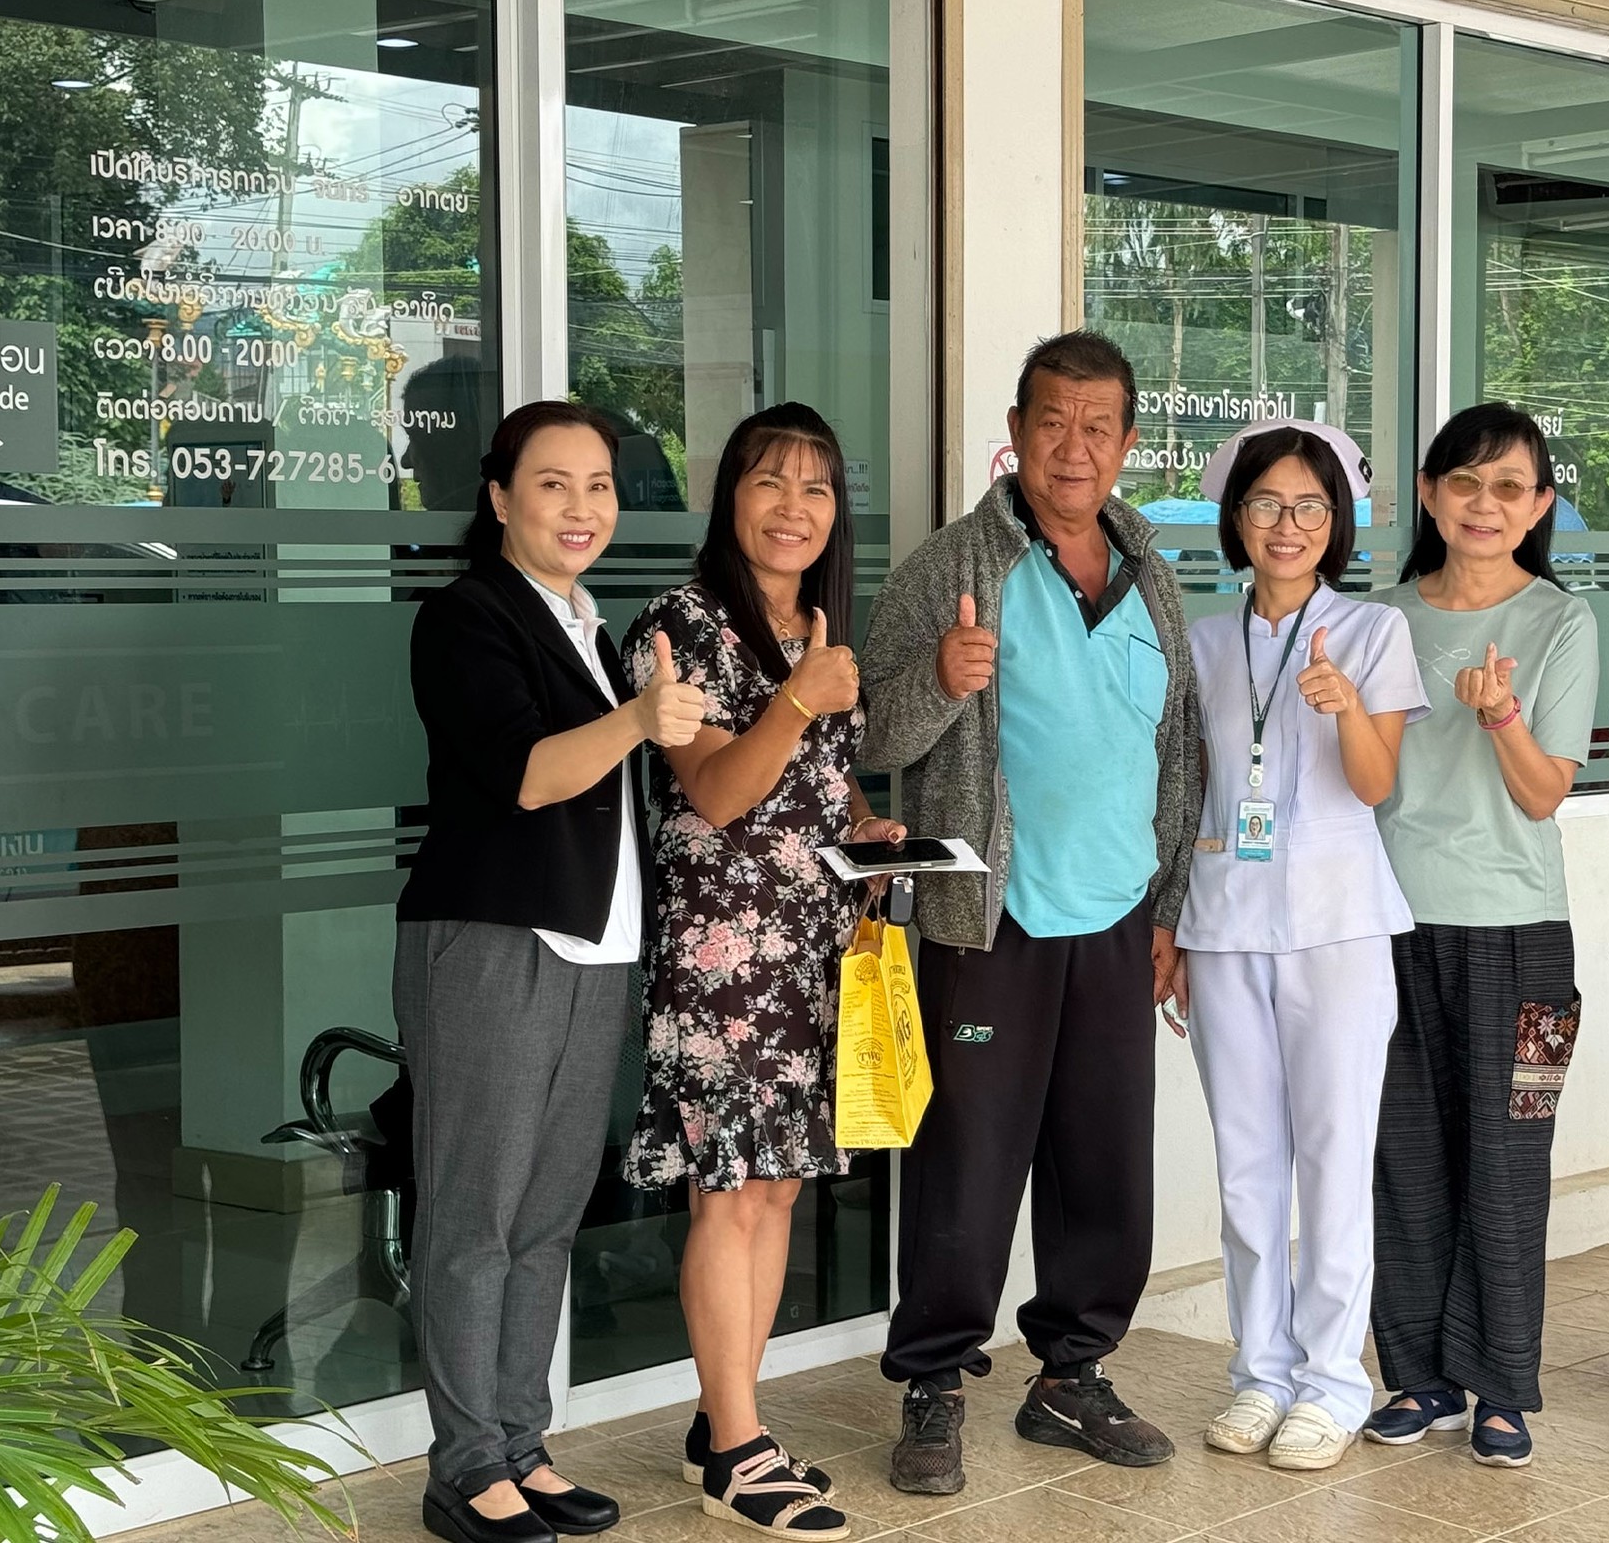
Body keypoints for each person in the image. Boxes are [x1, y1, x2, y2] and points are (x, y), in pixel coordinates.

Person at [858, 330, 1200, 1497]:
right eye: (1053, 420)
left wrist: (1168, 906)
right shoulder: (953, 563)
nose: (1074, 446)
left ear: (1127, 441)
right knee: (967, 1162)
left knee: (1105, 1162)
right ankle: (933, 1379)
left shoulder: (1151, 573)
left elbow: (1179, 751)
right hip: (986, 918)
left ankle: (1071, 1373)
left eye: (1097, 426)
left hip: (1116, 916)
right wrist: (938, 679)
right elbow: (868, 733)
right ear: (1015, 429)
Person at [396, 401, 707, 1543]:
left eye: (599, 486)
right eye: (552, 484)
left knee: (545, 1216)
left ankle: (521, 1445)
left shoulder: (586, 621)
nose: (581, 508)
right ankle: (464, 1466)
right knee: (475, 1215)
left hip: (592, 951)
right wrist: (640, 719)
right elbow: (528, 775)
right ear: (498, 498)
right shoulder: (467, 616)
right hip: (493, 943)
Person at [622, 404, 902, 1541]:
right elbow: (716, 791)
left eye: (817, 488)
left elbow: (817, 783)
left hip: (810, 949)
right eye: (770, 482)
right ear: (728, 495)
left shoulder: (819, 629)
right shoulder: (679, 624)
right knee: (729, 1190)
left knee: (777, 1187)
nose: (794, 508)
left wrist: (867, 829)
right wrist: (798, 698)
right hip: (722, 958)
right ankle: (738, 1451)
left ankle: (728, 1419)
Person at [1171, 421, 1426, 1473]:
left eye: (1310, 507)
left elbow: (1375, 783)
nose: (1288, 525)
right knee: (1246, 1168)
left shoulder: (1371, 631)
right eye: (1267, 504)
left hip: (1338, 925)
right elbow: (1187, 794)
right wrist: (1167, 929)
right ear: (1237, 518)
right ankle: (1260, 1372)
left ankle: (1330, 1384)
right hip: (1224, 922)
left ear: (1337, 522)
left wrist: (1347, 706)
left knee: (1331, 1160)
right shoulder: (1201, 640)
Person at [1363, 403, 1598, 1472]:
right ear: (1428, 492)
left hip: (1522, 938)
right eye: (1464, 482)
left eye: (1510, 487)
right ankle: (1417, 1378)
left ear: (1539, 505)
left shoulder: (1561, 622)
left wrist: (1500, 714)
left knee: (1508, 1161)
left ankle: (1502, 1388)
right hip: (1390, 925)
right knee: (1404, 1158)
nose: (1484, 505)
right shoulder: (1379, 621)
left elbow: (1545, 794)